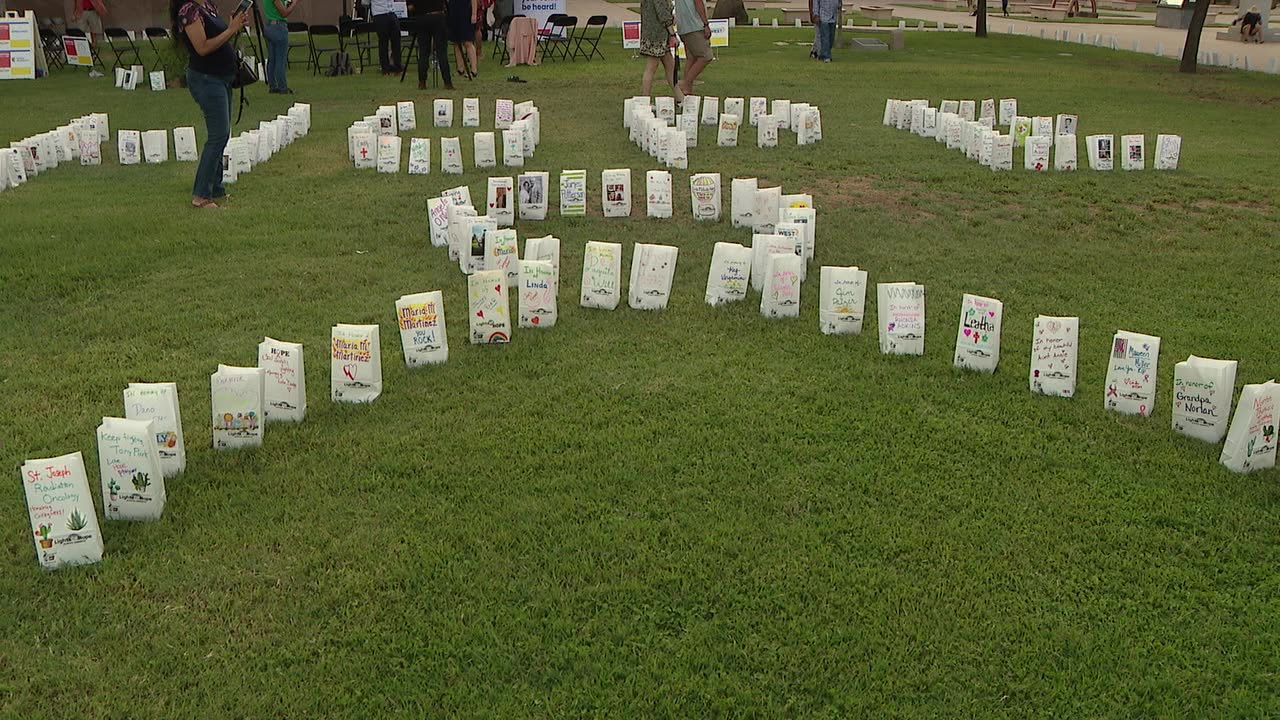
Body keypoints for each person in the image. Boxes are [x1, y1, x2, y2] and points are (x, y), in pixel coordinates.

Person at [171, 0, 247, 209]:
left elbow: (219, 39)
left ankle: (216, 187)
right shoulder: (189, 11)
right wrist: (230, 29)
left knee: (223, 133)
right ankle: (201, 195)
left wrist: (234, 27)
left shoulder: (207, 6)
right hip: (206, 79)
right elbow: (202, 47)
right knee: (218, 135)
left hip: (222, 77)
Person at [408, 0, 453, 90]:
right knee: (442, 51)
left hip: (422, 18)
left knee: (423, 52)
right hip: (437, 16)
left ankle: (422, 82)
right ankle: (447, 82)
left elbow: (410, 7)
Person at [263, 0, 304, 93]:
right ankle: (282, 87)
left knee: (272, 59)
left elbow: (276, 8)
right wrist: (294, 3)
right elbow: (284, 13)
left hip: (269, 26)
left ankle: (272, 85)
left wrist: (287, 3)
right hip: (278, 27)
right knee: (280, 60)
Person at [639, 0, 678, 97]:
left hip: (655, 35)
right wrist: (672, 34)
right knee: (651, 68)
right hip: (657, 36)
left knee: (670, 66)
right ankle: (645, 100)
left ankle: (680, 98)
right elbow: (663, 14)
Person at [675, 0, 713, 97]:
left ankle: (687, 91)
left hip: (683, 26)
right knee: (706, 56)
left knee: (691, 58)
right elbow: (698, 2)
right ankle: (686, 85)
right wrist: (705, 24)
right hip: (695, 25)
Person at [72, 0, 108, 77]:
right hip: (82, 11)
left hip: (93, 10)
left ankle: (94, 47)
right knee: (80, 31)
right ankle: (82, 50)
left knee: (94, 30)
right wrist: (75, 12)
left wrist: (100, 7)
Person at [370, 0, 404, 75]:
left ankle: (398, 68)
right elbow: (365, 2)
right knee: (383, 42)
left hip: (391, 12)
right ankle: (385, 69)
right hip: (379, 14)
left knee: (396, 41)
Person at [448, 0, 479, 78]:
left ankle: (473, 70)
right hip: (453, 12)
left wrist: (474, 14)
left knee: (467, 41)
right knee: (456, 42)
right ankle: (460, 69)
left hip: (465, 12)